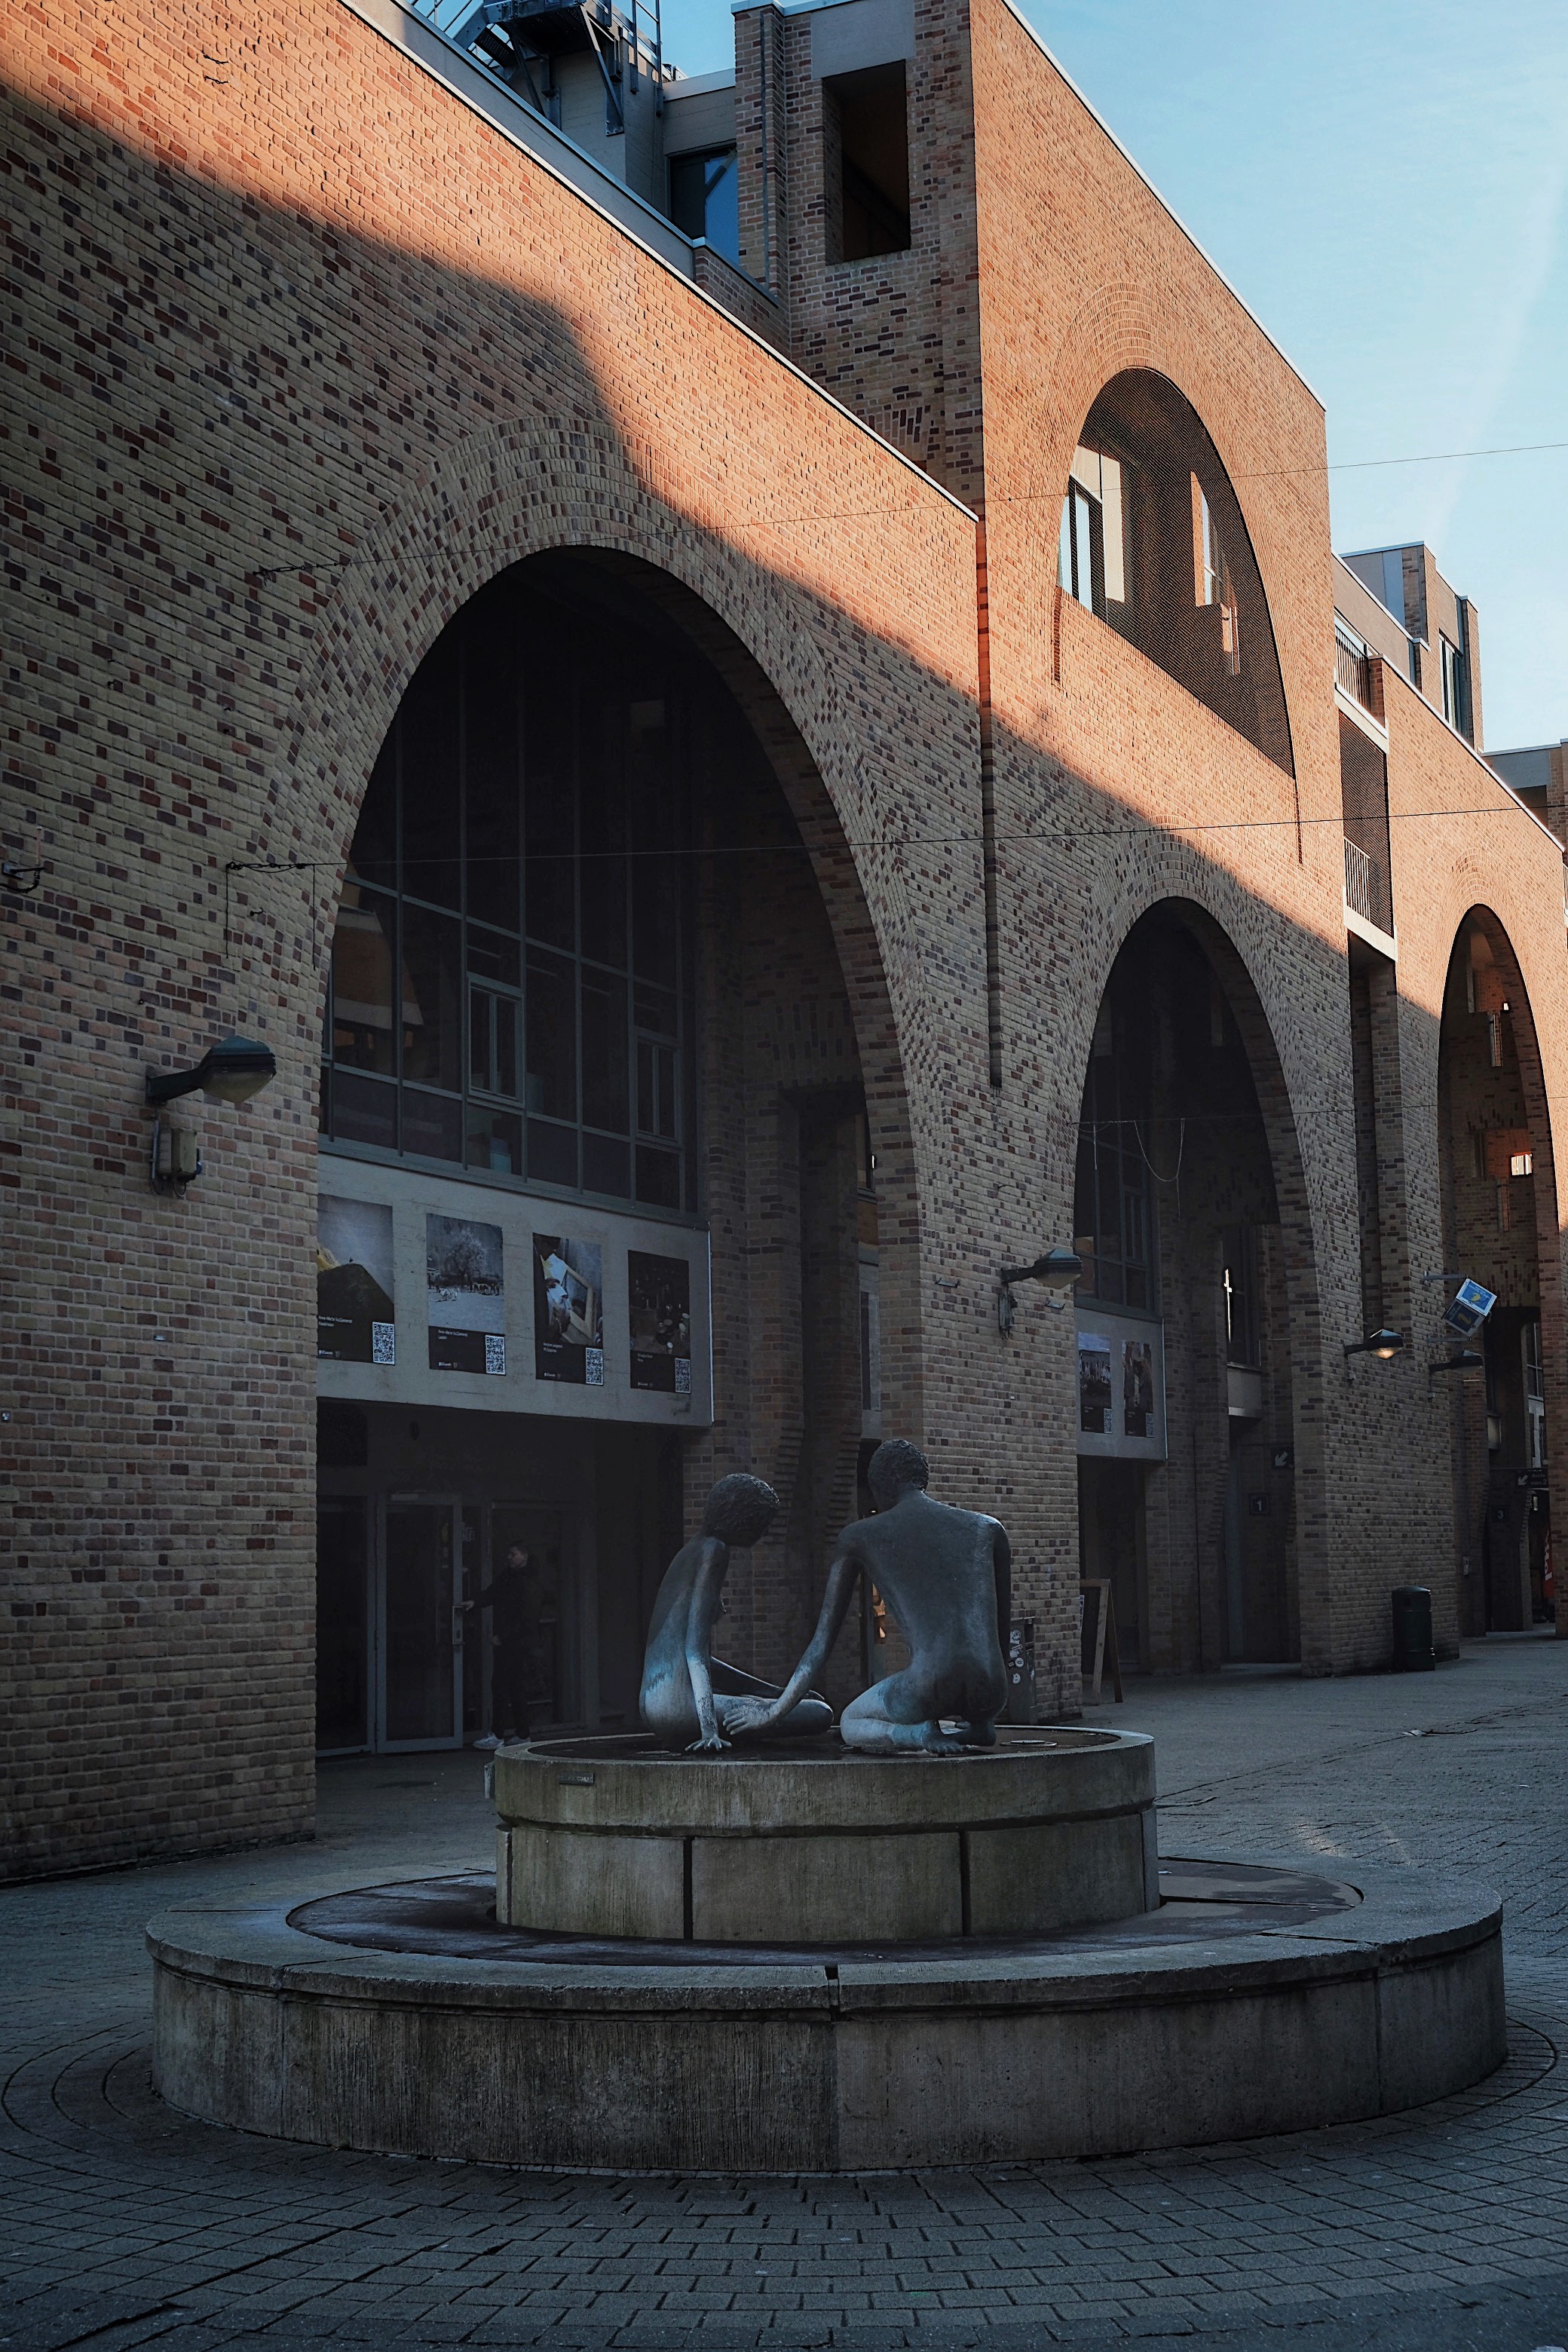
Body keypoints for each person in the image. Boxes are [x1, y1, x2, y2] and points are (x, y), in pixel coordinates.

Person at [749, 1438, 1011, 1753]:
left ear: (880, 1486)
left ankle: (918, 1737)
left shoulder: (859, 1535)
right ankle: (980, 1729)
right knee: (964, 1692)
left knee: (850, 1722)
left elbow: (822, 1643)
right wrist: (987, 1709)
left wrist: (773, 1711)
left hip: (929, 1687)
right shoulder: (988, 1527)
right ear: (921, 1479)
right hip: (993, 1689)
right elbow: (1001, 1630)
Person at [639, 1474, 834, 1750]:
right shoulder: (714, 1551)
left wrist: (775, 1694)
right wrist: (709, 1730)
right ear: (744, 1518)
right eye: (763, 1523)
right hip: (677, 1708)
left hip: (652, 1705)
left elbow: (699, 1659)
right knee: (819, 1712)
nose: (764, 1532)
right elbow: (694, 1652)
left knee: (792, 1705)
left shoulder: (689, 1553)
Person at [467, 1542, 550, 1741]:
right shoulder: (509, 1578)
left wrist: (503, 1637)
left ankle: (500, 1734)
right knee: (512, 1688)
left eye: (513, 1554)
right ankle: (519, 1734)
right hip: (513, 1644)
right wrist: (474, 1602)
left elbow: (527, 1619)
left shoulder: (528, 1584)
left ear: (524, 1556)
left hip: (517, 1645)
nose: (509, 1557)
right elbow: (493, 1593)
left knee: (505, 1688)